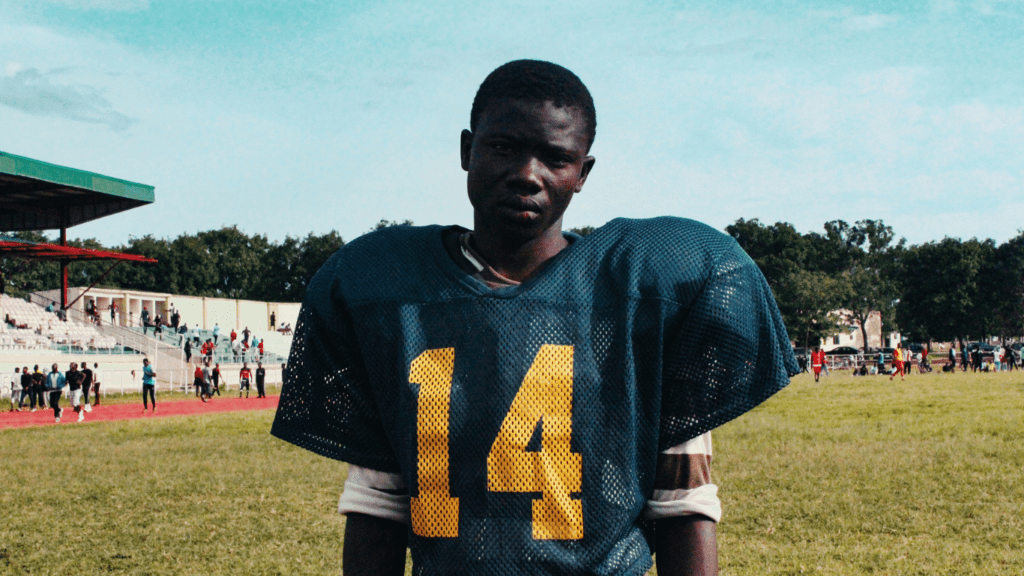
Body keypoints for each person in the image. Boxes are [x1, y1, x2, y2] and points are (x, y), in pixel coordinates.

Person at [271, 60, 797, 576]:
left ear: (582, 172)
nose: (527, 174)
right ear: (466, 150)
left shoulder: (644, 294)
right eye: (503, 147)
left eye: (555, 157)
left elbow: (684, 503)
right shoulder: (392, 294)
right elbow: (377, 504)